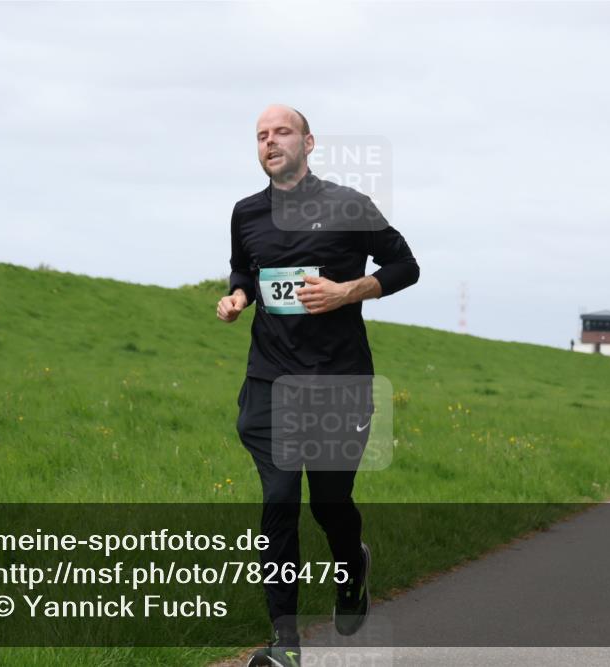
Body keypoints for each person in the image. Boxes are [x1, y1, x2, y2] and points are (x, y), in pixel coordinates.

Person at [217, 105, 419, 667]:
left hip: (338, 381)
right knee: (280, 501)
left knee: (330, 504)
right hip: (270, 380)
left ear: (309, 141)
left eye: (281, 132)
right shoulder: (246, 212)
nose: (269, 141)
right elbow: (244, 269)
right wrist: (237, 297)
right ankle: (285, 644)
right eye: (260, 135)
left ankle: (352, 569)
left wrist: (347, 292)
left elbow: (406, 265)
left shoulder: (348, 205)